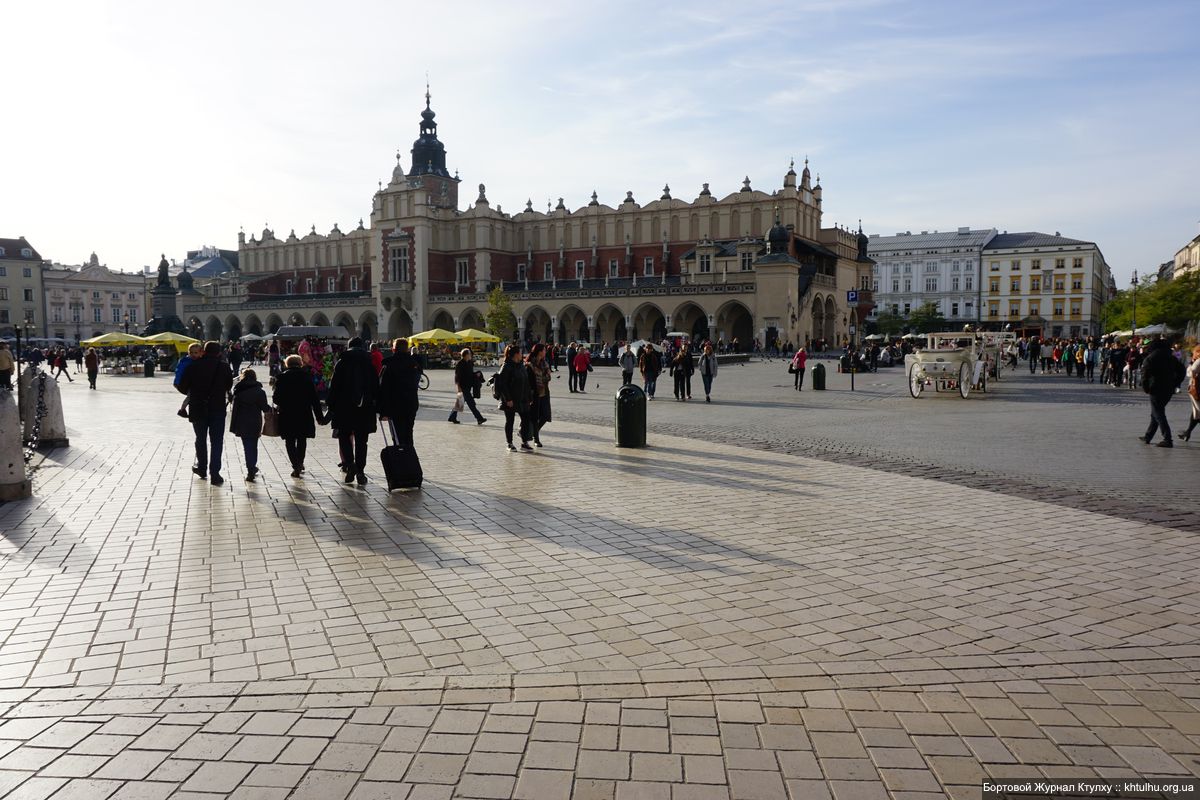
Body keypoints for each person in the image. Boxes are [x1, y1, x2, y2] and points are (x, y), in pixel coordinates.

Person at [179, 341, 234, 484]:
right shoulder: (224, 367)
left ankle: (202, 468)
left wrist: (195, 393)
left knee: (200, 439)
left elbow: (182, 386)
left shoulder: (193, 366)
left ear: (203, 351)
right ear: (219, 353)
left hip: (198, 407)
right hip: (217, 408)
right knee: (216, 441)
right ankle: (215, 474)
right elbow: (229, 385)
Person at [327, 337, 379, 485]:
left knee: (344, 437)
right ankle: (361, 471)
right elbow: (376, 386)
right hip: (364, 408)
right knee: (362, 441)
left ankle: (350, 464)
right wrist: (378, 406)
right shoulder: (368, 364)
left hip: (344, 408)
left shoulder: (342, 363)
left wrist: (330, 405)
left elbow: (334, 386)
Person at [272, 354, 326, 477]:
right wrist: (319, 417)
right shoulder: (307, 377)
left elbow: (276, 399)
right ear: (300, 363)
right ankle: (300, 462)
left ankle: (295, 464)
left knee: (290, 441)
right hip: (304, 413)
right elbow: (314, 399)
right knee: (302, 439)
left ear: (287, 364)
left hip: (287, 414)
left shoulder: (282, 378)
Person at [1139, 337, 1186, 448]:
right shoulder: (1171, 357)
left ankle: (1167, 438)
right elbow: (1182, 371)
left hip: (1155, 388)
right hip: (1168, 388)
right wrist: (1175, 383)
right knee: (1156, 412)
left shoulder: (1150, 358)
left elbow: (1144, 375)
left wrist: (1146, 388)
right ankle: (1148, 436)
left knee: (1158, 413)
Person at [378, 338, 421, 449]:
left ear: (393, 349)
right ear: (407, 349)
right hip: (411, 404)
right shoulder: (414, 364)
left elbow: (383, 388)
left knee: (397, 435)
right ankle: (409, 457)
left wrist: (382, 411)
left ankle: (401, 458)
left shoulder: (389, 365)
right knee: (408, 432)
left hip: (395, 406)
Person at [229, 368, 270, 482]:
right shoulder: (259, 391)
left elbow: (234, 407)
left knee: (247, 446)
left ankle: (250, 468)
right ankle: (252, 467)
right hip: (255, 422)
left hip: (242, 422)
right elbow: (265, 408)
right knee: (253, 445)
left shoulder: (238, 391)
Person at [495, 344, 533, 451]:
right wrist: (508, 399)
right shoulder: (506, 366)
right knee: (510, 421)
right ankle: (509, 443)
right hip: (511, 399)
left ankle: (524, 442)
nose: (522, 355)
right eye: (520, 353)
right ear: (516, 354)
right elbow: (503, 384)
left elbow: (526, 382)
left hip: (522, 398)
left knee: (526, 419)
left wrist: (529, 397)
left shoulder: (521, 365)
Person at [448, 348, 487, 425]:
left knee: (460, 403)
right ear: (465, 355)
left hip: (468, 386)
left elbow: (470, 374)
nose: (470, 355)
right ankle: (479, 418)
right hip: (463, 387)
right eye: (469, 354)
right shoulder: (460, 364)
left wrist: (476, 374)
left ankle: (452, 417)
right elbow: (457, 376)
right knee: (471, 404)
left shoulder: (469, 363)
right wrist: (458, 387)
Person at [527, 343, 552, 447]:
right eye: (544, 350)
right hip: (534, 394)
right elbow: (530, 380)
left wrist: (543, 377)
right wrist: (544, 377)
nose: (545, 352)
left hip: (544, 392)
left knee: (545, 415)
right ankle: (536, 439)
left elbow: (548, 377)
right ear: (539, 351)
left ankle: (533, 432)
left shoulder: (544, 363)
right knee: (534, 417)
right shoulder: (530, 364)